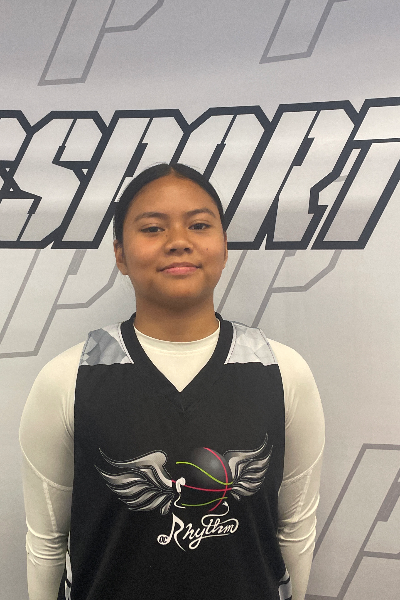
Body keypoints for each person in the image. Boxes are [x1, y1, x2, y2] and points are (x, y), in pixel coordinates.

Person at [20, 163, 325, 600]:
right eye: (152, 228)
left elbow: (295, 527)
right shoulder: (68, 377)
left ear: (224, 247)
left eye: (199, 225)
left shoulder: (282, 371)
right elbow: (47, 542)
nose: (179, 241)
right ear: (120, 254)